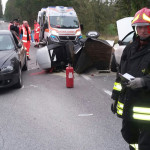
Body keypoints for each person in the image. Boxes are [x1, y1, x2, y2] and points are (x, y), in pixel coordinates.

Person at [111, 7, 150, 150]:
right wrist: (115, 97)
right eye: (139, 27)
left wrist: (144, 81)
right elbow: (120, 75)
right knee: (129, 137)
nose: (143, 31)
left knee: (145, 143)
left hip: (147, 107)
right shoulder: (129, 48)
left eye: (146, 27)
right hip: (129, 104)